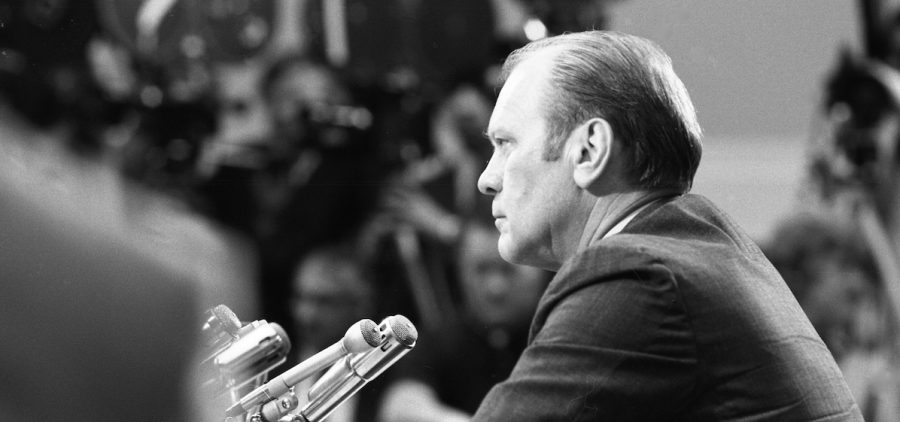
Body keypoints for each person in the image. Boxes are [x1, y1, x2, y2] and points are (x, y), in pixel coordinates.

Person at [471, 30, 862, 420]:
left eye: (506, 144)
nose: (486, 179)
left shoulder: (638, 276)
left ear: (589, 150)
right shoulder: (703, 249)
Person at [378, 221, 549, 422]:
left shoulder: (559, 335)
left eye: (508, 270)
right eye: (481, 269)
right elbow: (400, 407)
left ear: (540, 270)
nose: (495, 288)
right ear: (460, 270)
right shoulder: (439, 341)